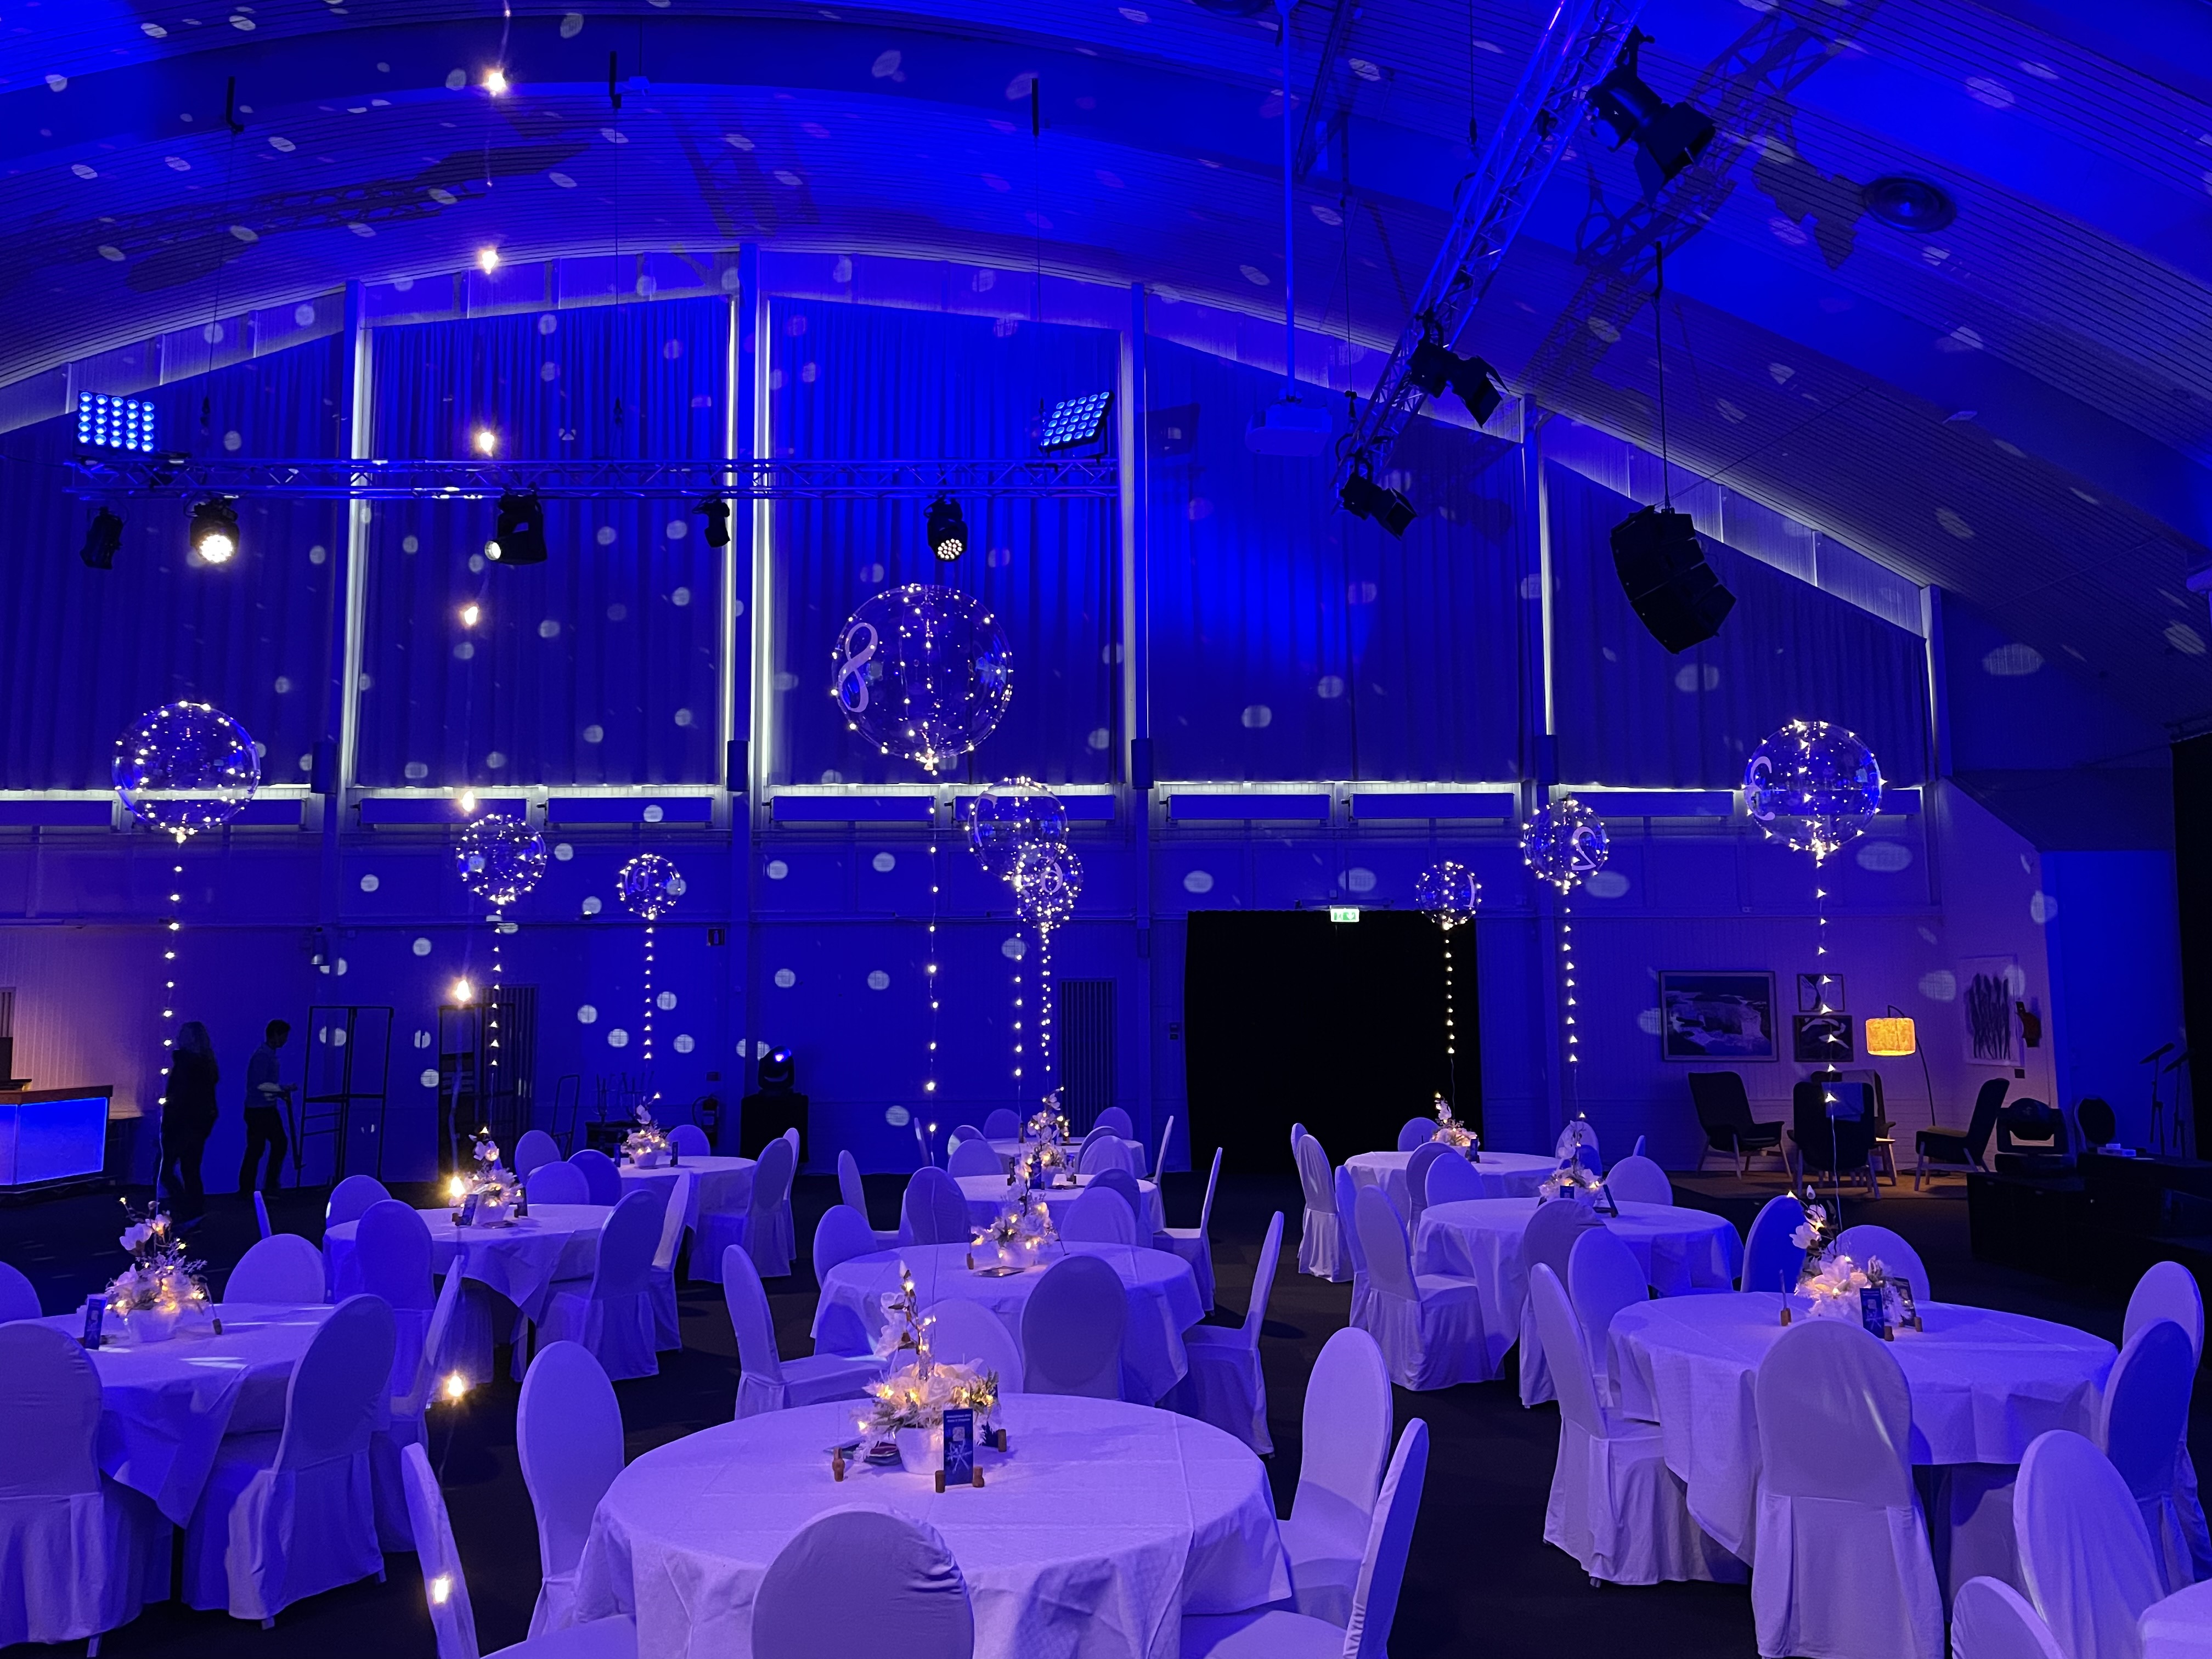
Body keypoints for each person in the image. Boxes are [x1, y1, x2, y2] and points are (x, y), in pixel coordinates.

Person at [159, 1022, 219, 1222]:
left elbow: (178, 1097)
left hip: (182, 1125)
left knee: (165, 1171)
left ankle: (188, 1211)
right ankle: (195, 1212)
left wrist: (167, 1124)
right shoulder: (207, 1064)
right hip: (198, 1125)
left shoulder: (186, 1063)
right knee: (191, 1170)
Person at [239, 1019, 292, 1198]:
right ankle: (263, 1186)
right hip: (260, 1110)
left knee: (260, 1147)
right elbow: (259, 1084)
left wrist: (279, 1091)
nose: (285, 1040)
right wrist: (281, 1090)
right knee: (264, 1146)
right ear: (275, 1035)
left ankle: (252, 1188)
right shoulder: (263, 1056)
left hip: (262, 1108)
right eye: (283, 1036)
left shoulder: (266, 1055)